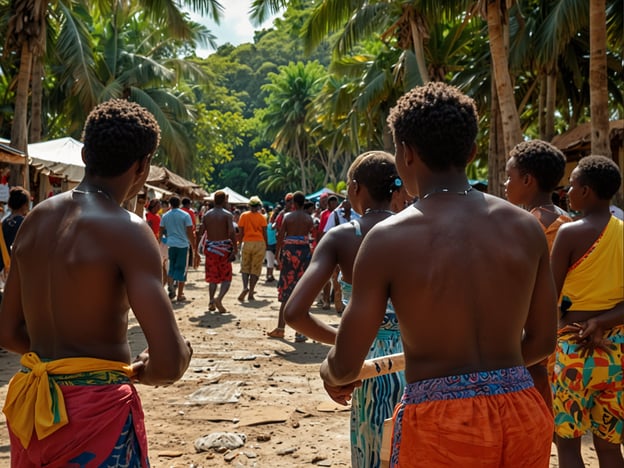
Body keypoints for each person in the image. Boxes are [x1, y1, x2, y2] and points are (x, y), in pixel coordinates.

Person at [320, 82, 557, 466]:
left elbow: (346, 364)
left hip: (439, 422)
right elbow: (544, 340)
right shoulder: (524, 227)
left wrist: (329, 373)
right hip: (521, 409)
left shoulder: (387, 239)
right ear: (473, 151)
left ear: (405, 153)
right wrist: (497, 376)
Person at [0, 99, 192, 467]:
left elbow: (8, 333)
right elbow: (168, 362)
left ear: (85, 154)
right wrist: (145, 365)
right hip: (96, 411)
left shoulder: (35, 220)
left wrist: (59, 364)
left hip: (32, 407)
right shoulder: (129, 231)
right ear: (143, 167)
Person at [285, 151, 406, 467]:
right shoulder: (420, 230)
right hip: (419, 359)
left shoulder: (342, 237)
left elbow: (294, 312)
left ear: (354, 188)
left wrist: (341, 340)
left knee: (374, 451)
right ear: (398, 188)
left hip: (367, 363)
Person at [550, 155, 624, 468]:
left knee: (567, 446)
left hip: (572, 350)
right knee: (609, 447)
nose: (567, 190)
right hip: (616, 351)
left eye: (574, 184)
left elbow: (549, 295)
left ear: (588, 191)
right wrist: (601, 321)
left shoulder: (569, 233)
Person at [504, 139, 573, 411]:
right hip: (564, 329)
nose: (506, 184)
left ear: (528, 180)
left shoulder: (527, 225)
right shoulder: (567, 220)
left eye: (509, 177)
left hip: (535, 334)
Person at [268, 191, 314, 342]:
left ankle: (281, 328)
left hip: (289, 253)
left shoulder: (288, 217)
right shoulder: (309, 219)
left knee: (287, 289)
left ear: (293, 203)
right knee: (301, 290)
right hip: (304, 253)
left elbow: (281, 236)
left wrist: (277, 255)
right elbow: (311, 236)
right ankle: (300, 332)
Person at [196, 190, 237, 314]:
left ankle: (211, 301)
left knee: (212, 277)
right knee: (226, 277)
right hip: (224, 248)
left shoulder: (207, 215)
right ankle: (219, 299)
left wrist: (196, 248)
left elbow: (201, 232)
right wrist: (235, 248)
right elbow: (231, 232)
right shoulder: (227, 215)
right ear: (225, 200)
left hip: (211, 248)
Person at [159, 195, 195, 302]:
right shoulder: (185, 215)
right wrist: (193, 246)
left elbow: (161, 231)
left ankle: (170, 286)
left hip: (170, 245)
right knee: (182, 269)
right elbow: (190, 232)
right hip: (183, 245)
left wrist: (159, 242)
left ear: (170, 204)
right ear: (179, 204)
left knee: (171, 268)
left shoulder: (165, 216)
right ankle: (180, 294)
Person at [237, 196, 268, 302]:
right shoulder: (262, 217)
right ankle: (251, 292)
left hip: (247, 243)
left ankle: (245, 287)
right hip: (259, 243)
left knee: (245, 267)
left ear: (249, 206)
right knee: (256, 268)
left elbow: (240, 232)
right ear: (259, 206)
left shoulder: (243, 216)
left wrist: (239, 244)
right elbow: (264, 233)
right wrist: (266, 245)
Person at [0, 187, 30, 276]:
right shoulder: (25, 223)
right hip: (16, 270)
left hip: (3, 268)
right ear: (25, 205)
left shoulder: (4, 221)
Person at [265, 206, 282, 283]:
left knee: (270, 261)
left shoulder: (267, 225)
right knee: (275, 261)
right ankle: (270, 275)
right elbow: (273, 228)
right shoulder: (276, 225)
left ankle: (269, 275)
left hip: (268, 244)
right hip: (274, 245)